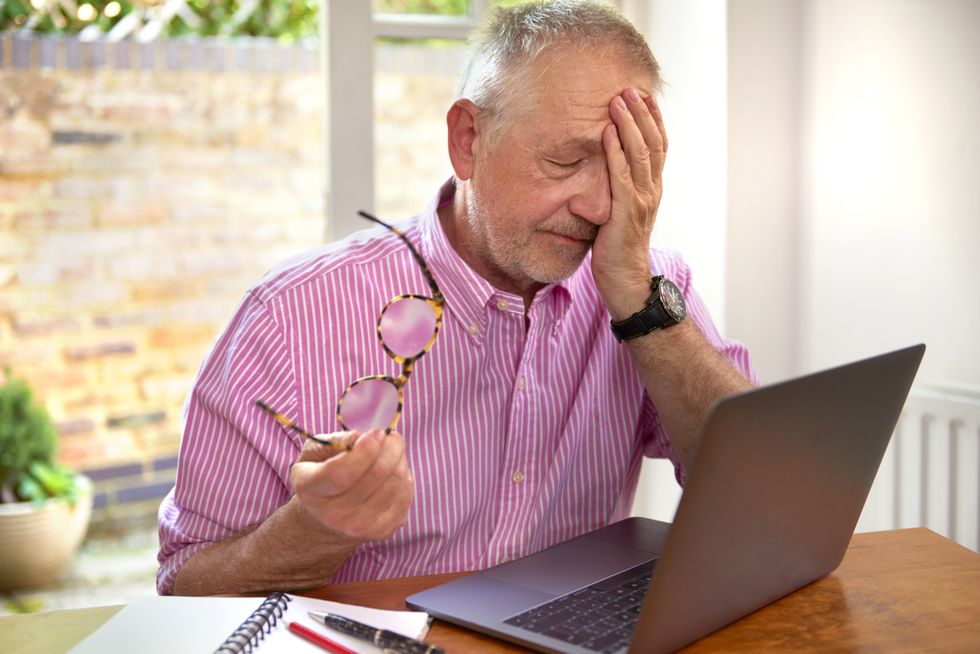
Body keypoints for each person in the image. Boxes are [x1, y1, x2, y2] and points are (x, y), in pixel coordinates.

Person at [157, 0, 755, 596]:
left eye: (626, 170)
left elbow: (754, 491)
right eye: (566, 160)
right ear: (468, 139)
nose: (600, 208)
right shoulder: (288, 317)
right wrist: (315, 531)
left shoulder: (648, 289)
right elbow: (183, 585)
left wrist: (640, 304)